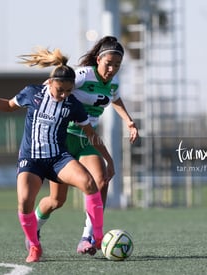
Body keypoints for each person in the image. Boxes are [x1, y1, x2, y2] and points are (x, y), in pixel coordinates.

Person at [0, 48, 114, 263]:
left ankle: (97, 237)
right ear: (50, 82)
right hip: (31, 160)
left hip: (58, 159)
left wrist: (108, 159)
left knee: (89, 183)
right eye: (60, 90)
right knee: (25, 201)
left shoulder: (73, 105)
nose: (64, 95)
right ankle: (34, 246)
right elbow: (7, 106)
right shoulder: (31, 93)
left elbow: (92, 134)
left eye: (69, 91)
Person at [34, 36, 139, 255]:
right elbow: (53, 85)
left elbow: (115, 98)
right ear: (98, 60)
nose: (112, 69)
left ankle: (87, 237)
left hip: (86, 140)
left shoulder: (114, 83)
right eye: (108, 63)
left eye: (117, 65)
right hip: (62, 139)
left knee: (101, 180)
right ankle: (34, 228)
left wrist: (129, 121)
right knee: (56, 200)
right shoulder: (83, 75)